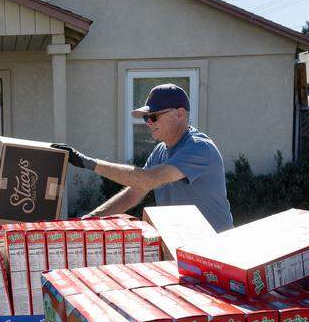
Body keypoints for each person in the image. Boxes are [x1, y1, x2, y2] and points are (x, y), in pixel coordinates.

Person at [53, 83, 234, 232]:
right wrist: (89, 220)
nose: (148, 122)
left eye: (153, 116)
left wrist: (86, 162)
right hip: (183, 244)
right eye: (146, 118)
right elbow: (133, 194)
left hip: (214, 248)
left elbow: (147, 180)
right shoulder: (160, 151)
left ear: (180, 114)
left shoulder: (199, 147)